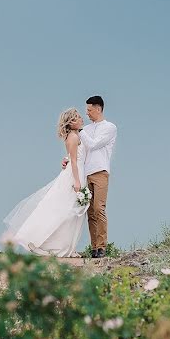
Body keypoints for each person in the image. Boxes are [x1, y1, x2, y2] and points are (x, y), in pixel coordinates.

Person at [1, 108, 90, 257]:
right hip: (75, 175)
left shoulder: (75, 135)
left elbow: (70, 158)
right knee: (67, 212)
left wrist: (66, 161)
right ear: (70, 123)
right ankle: (58, 245)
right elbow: (74, 161)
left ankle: (66, 246)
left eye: (80, 117)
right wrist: (77, 182)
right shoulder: (74, 137)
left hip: (75, 172)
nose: (81, 119)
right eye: (77, 118)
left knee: (68, 212)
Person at [63, 95, 117, 259]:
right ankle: (94, 248)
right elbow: (79, 150)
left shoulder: (109, 128)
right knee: (90, 212)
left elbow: (93, 144)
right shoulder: (86, 129)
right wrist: (66, 159)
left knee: (99, 209)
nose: (87, 113)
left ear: (98, 109)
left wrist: (80, 131)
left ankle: (101, 247)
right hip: (86, 173)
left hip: (100, 171)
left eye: (89, 110)